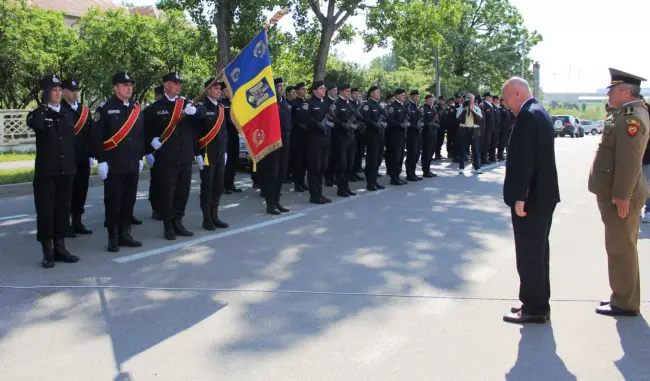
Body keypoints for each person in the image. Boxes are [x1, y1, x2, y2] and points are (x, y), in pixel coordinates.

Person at [589, 68, 650, 317]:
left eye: (612, 89)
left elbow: (629, 160)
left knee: (620, 248)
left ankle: (624, 302)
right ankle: (624, 298)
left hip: (621, 195)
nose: (608, 93)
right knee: (622, 246)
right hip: (618, 192)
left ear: (625, 91)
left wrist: (622, 195)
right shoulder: (626, 113)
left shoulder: (630, 118)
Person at [501, 77, 560, 324]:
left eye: (506, 100)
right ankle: (536, 303)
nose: (507, 105)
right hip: (543, 196)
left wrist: (520, 197)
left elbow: (526, 162)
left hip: (532, 199)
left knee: (529, 255)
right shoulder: (540, 111)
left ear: (516, 93)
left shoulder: (527, 115)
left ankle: (534, 308)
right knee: (538, 253)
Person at [26, 74, 79, 268]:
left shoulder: (67, 114)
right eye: (53, 90)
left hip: (66, 171)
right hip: (47, 173)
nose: (57, 94)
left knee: (63, 211)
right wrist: (42, 107)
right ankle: (47, 251)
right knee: (46, 212)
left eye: (59, 90)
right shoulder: (39, 114)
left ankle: (61, 247)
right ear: (46, 93)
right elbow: (35, 124)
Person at [91, 71, 145, 252]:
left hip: (131, 163)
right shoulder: (105, 108)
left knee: (129, 201)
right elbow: (96, 137)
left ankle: (125, 233)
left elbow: (140, 136)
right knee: (114, 202)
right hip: (113, 164)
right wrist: (101, 160)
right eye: (125, 85)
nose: (129, 88)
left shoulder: (136, 109)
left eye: (130, 85)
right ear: (115, 88)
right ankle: (112, 236)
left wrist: (140, 157)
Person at [144, 72, 199, 240]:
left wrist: (195, 112)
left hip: (184, 156)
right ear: (166, 85)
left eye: (179, 83)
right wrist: (150, 143)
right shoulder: (154, 108)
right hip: (166, 158)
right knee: (167, 193)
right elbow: (144, 131)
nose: (178, 85)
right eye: (174, 83)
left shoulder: (186, 104)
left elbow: (201, 122)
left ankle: (178, 222)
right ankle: (168, 226)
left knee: (183, 192)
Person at [192, 77, 229, 229]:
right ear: (207, 91)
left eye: (220, 89)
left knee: (218, 186)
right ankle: (206, 218)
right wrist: (198, 155)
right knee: (207, 187)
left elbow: (224, 132)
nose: (219, 91)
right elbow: (194, 134)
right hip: (206, 155)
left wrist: (225, 151)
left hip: (220, 154)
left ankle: (215, 216)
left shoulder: (221, 108)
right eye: (215, 88)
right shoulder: (201, 108)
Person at [61, 77, 93, 236]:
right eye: (71, 91)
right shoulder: (59, 109)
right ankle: (64, 224)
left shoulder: (84, 111)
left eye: (76, 91)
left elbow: (91, 134)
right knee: (67, 192)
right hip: (66, 159)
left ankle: (77, 221)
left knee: (81, 190)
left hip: (83, 157)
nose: (75, 94)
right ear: (63, 92)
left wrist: (92, 154)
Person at [257, 77, 292, 215]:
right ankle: (270, 203)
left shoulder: (284, 103)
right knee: (272, 173)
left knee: (281, 173)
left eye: (283, 86)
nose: (282, 88)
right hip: (273, 142)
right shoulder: (270, 103)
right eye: (279, 86)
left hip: (285, 140)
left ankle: (277, 200)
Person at [305, 80, 332, 204]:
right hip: (314, 139)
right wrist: (317, 125)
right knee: (314, 168)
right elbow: (306, 119)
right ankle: (314, 195)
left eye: (324, 88)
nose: (324, 90)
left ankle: (320, 193)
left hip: (325, 139)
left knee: (323, 167)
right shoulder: (309, 103)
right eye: (322, 88)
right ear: (315, 90)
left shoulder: (326, 103)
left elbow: (331, 118)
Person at [332, 83, 357, 197]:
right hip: (340, 137)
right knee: (342, 164)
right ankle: (341, 188)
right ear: (340, 92)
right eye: (346, 91)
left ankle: (346, 186)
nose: (348, 93)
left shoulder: (349, 104)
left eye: (349, 91)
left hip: (350, 137)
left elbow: (355, 117)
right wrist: (342, 124)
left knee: (349, 164)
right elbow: (334, 119)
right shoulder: (336, 104)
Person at [361, 86, 386, 191]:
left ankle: (374, 180)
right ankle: (370, 182)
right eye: (377, 92)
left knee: (379, 158)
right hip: (371, 135)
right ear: (371, 94)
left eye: (379, 92)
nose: (379, 94)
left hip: (380, 135)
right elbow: (365, 118)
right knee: (372, 159)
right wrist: (375, 125)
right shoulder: (367, 105)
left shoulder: (379, 106)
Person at [386, 88, 409, 185]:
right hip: (394, 135)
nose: (404, 97)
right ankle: (393, 177)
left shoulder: (403, 107)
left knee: (400, 157)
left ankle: (398, 175)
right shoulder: (392, 107)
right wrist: (400, 124)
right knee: (395, 156)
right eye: (403, 95)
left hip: (402, 135)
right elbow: (390, 121)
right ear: (397, 96)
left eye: (404, 95)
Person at [456, 93, 482, 174]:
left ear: (474, 100)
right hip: (464, 130)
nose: (470, 100)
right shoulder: (461, 108)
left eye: (471, 98)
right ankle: (461, 167)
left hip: (473, 131)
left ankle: (477, 167)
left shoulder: (477, 108)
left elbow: (479, 118)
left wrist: (472, 109)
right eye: (468, 98)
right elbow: (458, 117)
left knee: (475, 150)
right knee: (462, 149)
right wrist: (464, 109)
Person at [420, 94, 440, 177]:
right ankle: (425, 171)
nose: (432, 101)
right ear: (426, 100)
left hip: (433, 133)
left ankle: (428, 169)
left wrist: (436, 123)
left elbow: (436, 119)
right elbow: (423, 121)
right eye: (430, 100)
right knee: (426, 152)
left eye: (433, 100)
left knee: (431, 151)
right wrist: (430, 124)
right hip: (426, 133)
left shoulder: (433, 108)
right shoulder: (423, 108)